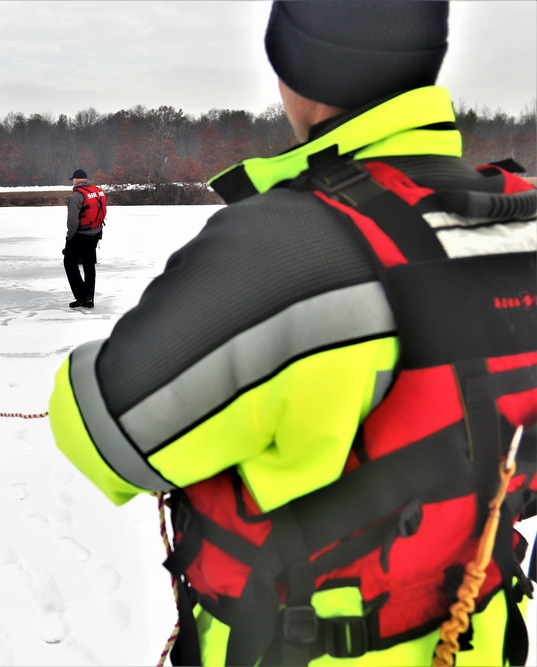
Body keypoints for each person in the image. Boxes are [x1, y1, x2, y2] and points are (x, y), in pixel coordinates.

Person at [48, 3, 536, 666]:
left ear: (294, 69)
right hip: (483, 638)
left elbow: (108, 432)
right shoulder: (521, 216)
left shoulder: (289, 245)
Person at [62, 168, 106, 308]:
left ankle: (82, 296)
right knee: (89, 264)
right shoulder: (97, 191)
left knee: (69, 262)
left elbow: (72, 220)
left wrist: (70, 236)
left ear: (76, 180)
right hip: (95, 233)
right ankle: (89, 299)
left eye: (73, 180)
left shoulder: (77, 195)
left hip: (81, 234)